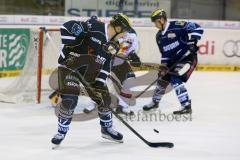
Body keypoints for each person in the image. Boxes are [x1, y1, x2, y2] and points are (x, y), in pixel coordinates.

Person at [51, 13, 133, 147]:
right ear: (118, 28)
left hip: (89, 72)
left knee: (105, 98)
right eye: (124, 32)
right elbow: (65, 27)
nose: (124, 35)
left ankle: (106, 129)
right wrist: (74, 40)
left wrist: (100, 81)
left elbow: (107, 65)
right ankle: (61, 132)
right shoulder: (93, 26)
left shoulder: (113, 45)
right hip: (69, 67)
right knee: (70, 99)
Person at [142, 9, 203, 114]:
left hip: (187, 58)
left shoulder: (177, 25)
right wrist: (163, 66)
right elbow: (165, 54)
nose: (155, 25)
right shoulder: (159, 36)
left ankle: (186, 106)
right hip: (173, 61)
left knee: (175, 77)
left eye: (155, 22)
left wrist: (193, 42)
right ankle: (155, 102)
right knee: (162, 78)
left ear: (161, 19)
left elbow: (198, 28)